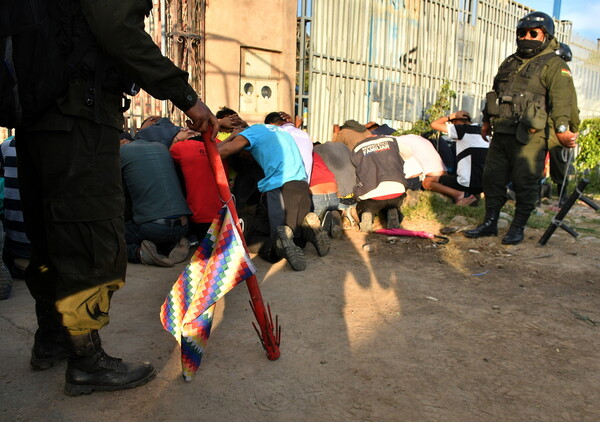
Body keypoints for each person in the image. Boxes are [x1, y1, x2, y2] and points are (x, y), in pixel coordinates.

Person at [12, 1, 218, 396]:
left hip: (34, 118)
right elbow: (117, 28)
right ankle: (87, 362)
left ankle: (52, 338)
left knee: (50, 230)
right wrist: (186, 96)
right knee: (91, 234)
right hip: (80, 116)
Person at [465, 11, 579, 245]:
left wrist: (563, 130)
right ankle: (490, 222)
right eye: (522, 33)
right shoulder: (510, 62)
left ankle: (517, 227)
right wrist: (486, 121)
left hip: (531, 135)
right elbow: (496, 94)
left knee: (525, 182)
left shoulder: (554, 65)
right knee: (492, 178)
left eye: (533, 33)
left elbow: (563, 101)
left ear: (546, 36)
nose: (526, 37)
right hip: (502, 131)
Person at [218, 124, 330, 271]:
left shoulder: (250, 134)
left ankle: (279, 246)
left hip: (280, 188)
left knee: (263, 240)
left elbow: (220, 152)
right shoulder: (277, 131)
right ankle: (308, 229)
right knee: (296, 239)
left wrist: (233, 136)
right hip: (301, 186)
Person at [120, 137, 192, 267]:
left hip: (152, 228)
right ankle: (175, 244)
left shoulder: (121, 152)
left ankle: (140, 253)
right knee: (156, 230)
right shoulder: (161, 147)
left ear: (122, 142)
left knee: (113, 239)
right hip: (183, 225)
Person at [351, 133, 412, 233]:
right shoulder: (391, 141)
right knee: (392, 203)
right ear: (377, 135)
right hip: (396, 192)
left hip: (371, 197)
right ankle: (393, 210)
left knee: (365, 205)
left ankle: (367, 213)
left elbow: (355, 167)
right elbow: (409, 153)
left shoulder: (357, 148)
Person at [426, 110, 489, 206]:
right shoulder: (484, 132)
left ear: (457, 122)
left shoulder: (462, 130)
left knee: (427, 182)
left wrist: (450, 116)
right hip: (484, 185)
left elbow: (434, 124)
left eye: (452, 122)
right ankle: (471, 195)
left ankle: (461, 196)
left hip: (467, 183)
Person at [264, 111, 314, 180]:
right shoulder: (305, 135)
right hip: (304, 184)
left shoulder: (276, 134)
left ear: (270, 125)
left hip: (283, 185)